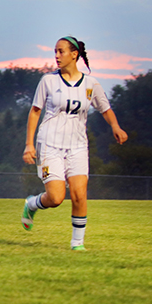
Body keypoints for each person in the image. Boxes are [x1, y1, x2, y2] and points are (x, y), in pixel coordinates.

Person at [20, 36, 128, 251]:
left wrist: (115, 126)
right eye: (55, 51)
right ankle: (32, 204)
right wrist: (29, 144)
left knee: (79, 194)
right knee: (57, 197)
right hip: (50, 144)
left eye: (61, 51)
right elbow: (35, 112)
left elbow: (105, 109)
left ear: (74, 54)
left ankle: (77, 244)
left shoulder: (90, 84)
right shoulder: (48, 81)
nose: (57, 56)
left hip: (78, 146)